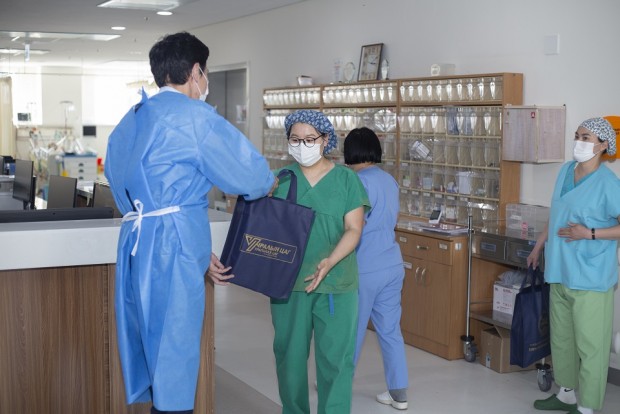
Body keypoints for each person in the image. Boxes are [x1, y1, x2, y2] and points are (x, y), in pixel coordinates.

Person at [105, 32, 276, 414]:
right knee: (174, 347)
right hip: (172, 247)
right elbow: (249, 176)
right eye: (205, 73)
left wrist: (194, 245)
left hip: (137, 242)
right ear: (196, 71)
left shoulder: (132, 118)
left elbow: (124, 186)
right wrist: (269, 183)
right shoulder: (195, 118)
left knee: (147, 337)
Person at [270, 109, 369, 414]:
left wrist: (329, 261)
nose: (302, 145)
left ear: (326, 140)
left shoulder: (346, 180)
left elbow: (354, 229)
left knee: (336, 363)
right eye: (295, 139)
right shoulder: (280, 180)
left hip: (336, 283)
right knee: (289, 360)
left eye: (310, 139)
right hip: (288, 286)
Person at [527, 117, 620, 414]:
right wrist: (539, 245)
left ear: (603, 145)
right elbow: (557, 213)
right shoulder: (566, 171)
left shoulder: (609, 184)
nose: (579, 142)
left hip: (591, 276)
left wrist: (589, 233)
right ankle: (566, 394)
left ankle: (588, 406)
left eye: (586, 138)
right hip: (560, 270)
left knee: (591, 345)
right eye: (577, 135)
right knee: (562, 338)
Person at [344, 127, 409, 410]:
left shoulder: (356, 182)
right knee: (390, 331)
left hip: (365, 267)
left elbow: (353, 226)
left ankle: (339, 383)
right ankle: (399, 393)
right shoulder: (389, 180)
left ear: (349, 152)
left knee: (351, 330)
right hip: (392, 264)